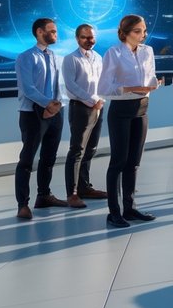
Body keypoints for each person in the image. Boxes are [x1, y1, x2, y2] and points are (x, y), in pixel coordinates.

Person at [98, 14, 159, 227]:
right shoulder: (113, 53)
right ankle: (114, 212)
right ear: (124, 33)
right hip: (121, 110)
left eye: (144, 30)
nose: (143, 34)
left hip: (142, 108)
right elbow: (103, 88)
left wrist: (153, 84)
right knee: (118, 161)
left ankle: (129, 208)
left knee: (133, 162)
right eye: (138, 31)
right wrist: (131, 88)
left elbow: (150, 76)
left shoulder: (147, 51)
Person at [14, 18, 67, 219]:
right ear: (39, 32)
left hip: (56, 112)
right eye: (52, 31)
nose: (55, 34)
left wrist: (57, 105)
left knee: (49, 157)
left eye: (56, 31)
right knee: (27, 160)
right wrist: (47, 104)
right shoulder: (26, 57)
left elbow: (61, 85)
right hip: (32, 114)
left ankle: (44, 196)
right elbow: (28, 88)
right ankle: (22, 204)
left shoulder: (56, 57)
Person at [61, 23, 108, 208]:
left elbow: (103, 81)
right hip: (80, 108)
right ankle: (72, 193)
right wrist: (92, 100)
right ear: (77, 38)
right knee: (77, 150)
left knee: (91, 149)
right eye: (85, 37)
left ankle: (84, 187)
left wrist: (100, 100)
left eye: (91, 37)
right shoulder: (70, 59)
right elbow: (71, 85)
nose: (89, 40)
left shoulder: (98, 57)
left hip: (98, 106)